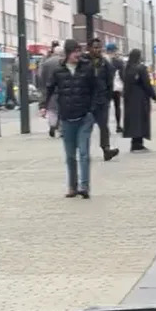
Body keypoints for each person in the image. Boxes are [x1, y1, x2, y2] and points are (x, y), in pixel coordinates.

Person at [41, 39, 98, 199]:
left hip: (84, 116)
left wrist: (92, 110)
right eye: (75, 52)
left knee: (84, 153)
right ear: (67, 53)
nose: (77, 55)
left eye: (79, 51)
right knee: (70, 155)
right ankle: (72, 186)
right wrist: (43, 105)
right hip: (67, 117)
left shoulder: (87, 68)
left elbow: (96, 89)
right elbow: (49, 88)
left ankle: (84, 186)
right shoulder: (59, 70)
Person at [86, 38, 119, 161]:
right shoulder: (83, 62)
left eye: (99, 47)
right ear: (89, 48)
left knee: (104, 126)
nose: (97, 50)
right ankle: (84, 151)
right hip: (87, 101)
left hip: (102, 100)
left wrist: (107, 97)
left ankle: (106, 149)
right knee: (86, 127)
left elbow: (110, 81)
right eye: (95, 47)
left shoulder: (105, 63)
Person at [122, 49, 156, 152]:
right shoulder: (141, 68)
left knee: (134, 121)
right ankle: (138, 144)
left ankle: (134, 143)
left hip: (129, 98)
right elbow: (146, 83)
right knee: (141, 120)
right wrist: (153, 95)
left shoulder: (127, 68)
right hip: (141, 98)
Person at [38, 46, 64, 138]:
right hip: (61, 89)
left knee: (52, 109)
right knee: (61, 110)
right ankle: (61, 130)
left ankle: (52, 125)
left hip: (49, 89)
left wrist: (43, 87)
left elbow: (41, 76)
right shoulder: (63, 62)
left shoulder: (46, 63)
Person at [107, 43, 126, 133]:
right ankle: (118, 126)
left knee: (106, 108)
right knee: (117, 106)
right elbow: (122, 75)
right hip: (116, 88)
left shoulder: (104, 61)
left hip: (106, 88)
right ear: (114, 51)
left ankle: (105, 127)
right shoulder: (119, 62)